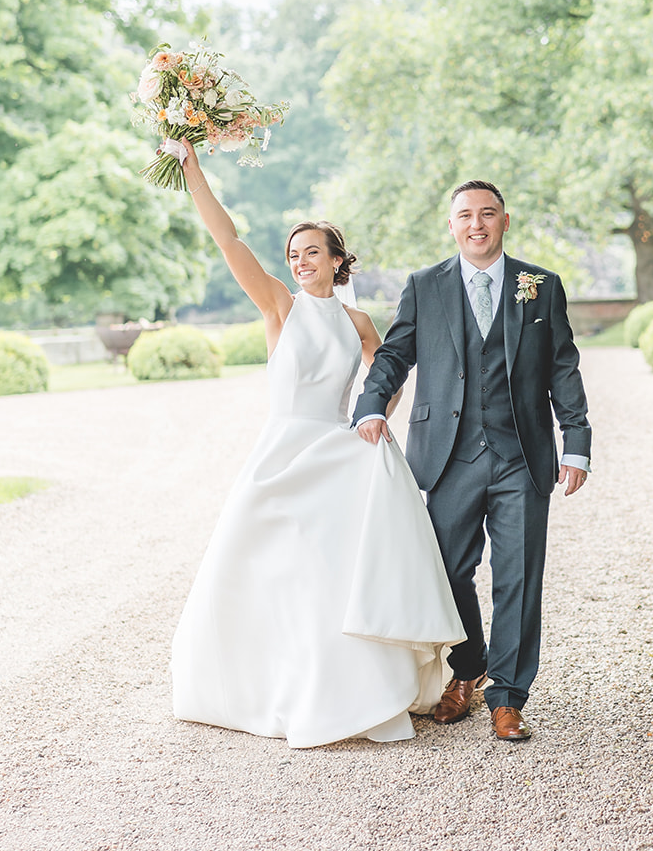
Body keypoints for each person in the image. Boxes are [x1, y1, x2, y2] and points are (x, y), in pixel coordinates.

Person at [169, 139, 463, 749]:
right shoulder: (279, 306)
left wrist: (375, 418)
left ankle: (348, 686)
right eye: (293, 254)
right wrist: (193, 171)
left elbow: (387, 377)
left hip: (335, 453)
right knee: (264, 573)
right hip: (280, 455)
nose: (300, 262)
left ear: (337, 261)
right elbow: (230, 242)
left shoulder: (357, 322)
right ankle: (269, 686)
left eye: (311, 253)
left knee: (331, 572)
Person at [353, 179, 592, 743]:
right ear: (452, 224)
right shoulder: (424, 286)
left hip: (522, 456)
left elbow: (563, 366)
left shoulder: (541, 286)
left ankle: (508, 697)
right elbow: (394, 354)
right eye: (465, 215)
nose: (476, 225)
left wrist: (576, 441)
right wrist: (370, 405)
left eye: (488, 214)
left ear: (505, 221)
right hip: (448, 457)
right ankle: (469, 668)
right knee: (448, 571)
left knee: (518, 577)